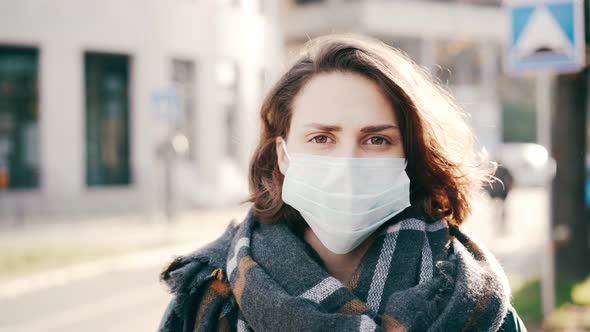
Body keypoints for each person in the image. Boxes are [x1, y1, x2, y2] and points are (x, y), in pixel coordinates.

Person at [158, 34, 527, 331]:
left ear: (409, 158)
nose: (347, 162)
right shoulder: (210, 297)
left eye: (376, 139)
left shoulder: (475, 304)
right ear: (284, 156)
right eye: (321, 138)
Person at [484, 163, 515, 235]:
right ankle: (499, 225)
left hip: (497, 193)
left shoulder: (493, 170)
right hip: (501, 192)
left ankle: (499, 225)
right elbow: (510, 180)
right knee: (499, 210)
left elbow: (486, 181)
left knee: (497, 210)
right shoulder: (504, 170)